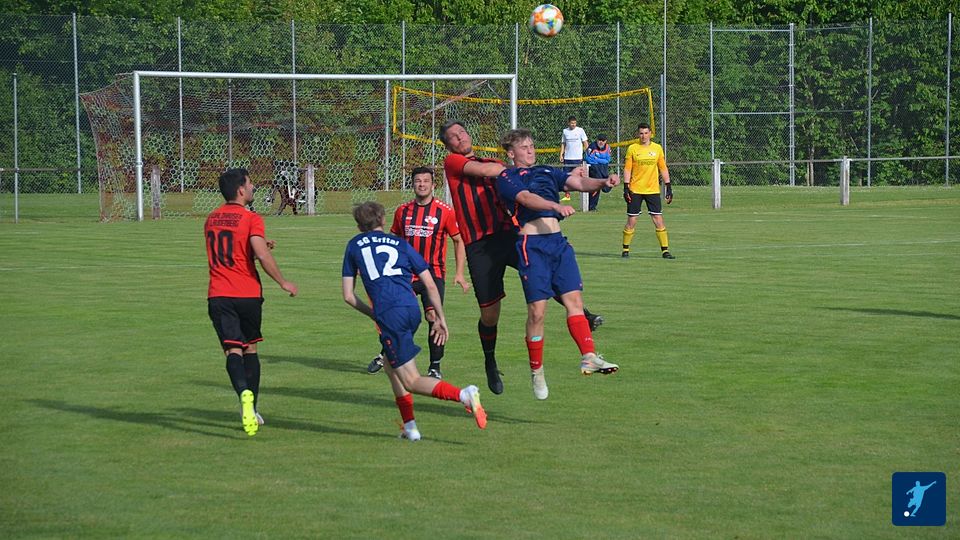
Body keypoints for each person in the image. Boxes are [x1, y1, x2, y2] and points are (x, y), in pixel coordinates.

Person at [439, 120, 604, 396]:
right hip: (480, 243)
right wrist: (514, 169)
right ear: (449, 145)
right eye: (454, 137)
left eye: (462, 132)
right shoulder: (454, 161)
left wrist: (550, 175)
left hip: (509, 233)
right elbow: (487, 171)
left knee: (544, 273)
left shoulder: (496, 162)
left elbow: (528, 182)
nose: (460, 137)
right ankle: (490, 361)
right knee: (490, 314)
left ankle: (582, 314)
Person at [342, 201, 487, 441]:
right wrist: (440, 319)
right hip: (411, 309)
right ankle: (410, 428)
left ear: (359, 226)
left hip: (390, 314)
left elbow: (348, 296)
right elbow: (430, 284)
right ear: (383, 220)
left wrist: (374, 313)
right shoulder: (400, 243)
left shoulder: (354, 245)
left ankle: (464, 394)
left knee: (411, 380)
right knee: (390, 367)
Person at [496, 128, 620, 400]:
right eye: (524, 147)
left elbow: (578, 183)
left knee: (575, 301)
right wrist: (555, 206)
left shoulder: (547, 171)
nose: (530, 150)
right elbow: (526, 199)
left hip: (558, 244)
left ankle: (588, 355)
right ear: (511, 153)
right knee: (537, 313)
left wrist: (604, 182)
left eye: (532, 145)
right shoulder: (507, 177)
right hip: (531, 246)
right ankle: (536, 370)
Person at [204, 168, 299, 436]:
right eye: (250, 183)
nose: (253, 187)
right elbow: (260, 255)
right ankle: (252, 408)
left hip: (219, 293)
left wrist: (258, 246)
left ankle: (243, 395)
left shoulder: (211, 219)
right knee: (250, 350)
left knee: (232, 351)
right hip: (247, 294)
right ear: (241, 190)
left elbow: (231, 250)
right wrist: (282, 281)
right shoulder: (251, 218)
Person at [366, 167, 470, 379]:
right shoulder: (403, 211)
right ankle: (385, 355)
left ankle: (435, 366)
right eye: (418, 181)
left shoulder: (445, 211)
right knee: (396, 316)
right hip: (405, 275)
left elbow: (459, 240)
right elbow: (392, 241)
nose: (422, 184)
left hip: (433, 275)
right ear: (412, 184)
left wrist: (460, 273)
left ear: (433, 185)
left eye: (426, 181)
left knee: (433, 316)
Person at [621, 122, 674, 259]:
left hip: (652, 190)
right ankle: (625, 249)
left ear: (650, 133)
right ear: (638, 134)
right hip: (635, 189)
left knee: (658, 218)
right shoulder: (632, 148)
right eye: (641, 133)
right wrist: (626, 187)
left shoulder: (657, 148)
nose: (643, 136)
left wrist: (668, 186)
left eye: (646, 133)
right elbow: (627, 168)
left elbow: (663, 168)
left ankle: (665, 251)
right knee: (632, 220)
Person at [559, 116, 588, 202]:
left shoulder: (580, 130)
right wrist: (561, 154)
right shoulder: (565, 131)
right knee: (566, 177)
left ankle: (582, 194)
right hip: (568, 158)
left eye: (575, 123)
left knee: (580, 176)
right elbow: (563, 144)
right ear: (568, 123)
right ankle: (567, 195)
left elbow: (585, 143)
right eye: (572, 123)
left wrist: (588, 154)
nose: (573, 124)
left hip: (578, 158)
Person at [584, 133, 612, 211]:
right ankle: (592, 207)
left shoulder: (608, 147)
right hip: (594, 169)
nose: (601, 142)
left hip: (603, 169)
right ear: (597, 140)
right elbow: (588, 159)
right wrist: (601, 161)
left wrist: (596, 159)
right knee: (596, 187)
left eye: (603, 140)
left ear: (605, 141)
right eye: (599, 140)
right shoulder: (592, 146)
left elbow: (607, 160)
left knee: (606, 188)